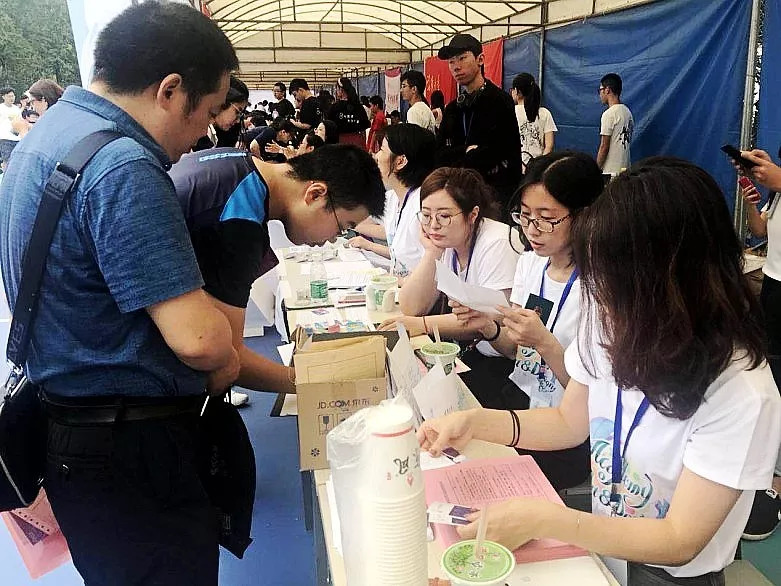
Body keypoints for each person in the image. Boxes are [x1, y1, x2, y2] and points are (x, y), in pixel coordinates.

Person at [418, 157, 781, 586]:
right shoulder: (614, 325)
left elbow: (680, 539)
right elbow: (568, 422)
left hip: (670, 575)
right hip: (603, 545)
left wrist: (548, 519)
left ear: (677, 277)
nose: (602, 293)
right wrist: (476, 422)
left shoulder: (740, 392)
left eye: (616, 277)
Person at [0, 3, 241, 584]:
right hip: (132, 448)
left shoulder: (49, 135)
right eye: (206, 113)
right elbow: (201, 340)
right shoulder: (124, 164)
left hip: (75, 433)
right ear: (170, 89)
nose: (202, 134)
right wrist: (228, 356)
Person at [168, 144, 384, 406]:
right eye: (342, 227)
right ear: (315, 194)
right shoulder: (241, 221)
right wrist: (314, 382)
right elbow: (228, 358)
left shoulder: (236, 163)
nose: (332, 241)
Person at [451, 152, 603, 491]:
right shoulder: (532, 264)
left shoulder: (599, 288)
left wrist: (545, 343)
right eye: (525, 215)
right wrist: (488, 326)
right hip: (521, 397)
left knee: (477, 479)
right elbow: (515, 352)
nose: (532, 230)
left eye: (546, 218)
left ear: (584, 215)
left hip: (567, 432)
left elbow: (593, 396)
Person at [379, 167, 518, 341]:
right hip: (470, 347)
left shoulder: (497, 241)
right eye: (426, 215)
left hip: (498, 353)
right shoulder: (446, 242)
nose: (433, 225)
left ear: (472, 214)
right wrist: (432, 252)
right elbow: (411, 308)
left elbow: (492, 316)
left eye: (444, 216)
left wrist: (422, 325)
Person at [734, 148, 781, 541]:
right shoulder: (778, 193)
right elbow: (761, 231)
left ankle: (776, 485)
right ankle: (767, 473)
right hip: (774, 286)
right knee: (771, 372)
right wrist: (752, 195)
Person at [436, 33, 521, 217]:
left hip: (494, 199)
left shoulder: (500, 101)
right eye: (451, 61)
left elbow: (504, 152)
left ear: (480, 59)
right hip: (459, 196)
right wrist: (467, 151)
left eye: (462, 58)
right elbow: (439, 153)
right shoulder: (453, 108)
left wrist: (465, 156)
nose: (456, 66)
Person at [350, 124, 437, 277]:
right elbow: (402, 255)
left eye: (382, 149)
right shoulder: (393, 197)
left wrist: (388, 282)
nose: (376, 156)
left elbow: (431, 274)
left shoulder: (423, 208)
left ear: (400, 161)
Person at [511, 73, 557, 171]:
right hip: (537, 168)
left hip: (514, 168)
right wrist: (539, 166)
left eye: (512, 90)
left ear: (517, 91)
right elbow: (549, 145)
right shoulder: (545, 113)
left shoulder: (509, 111)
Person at [193, 75, 248, 151]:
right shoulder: (193, 134)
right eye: (237, 112)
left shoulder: (213, 135)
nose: (238, 120)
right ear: (222, 101)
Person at [597, 72, 633, 175]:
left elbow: (604, 146)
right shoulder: (628, 113)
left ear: (607, 90)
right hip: (626, 169)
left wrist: (596, 169)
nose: (600, 94)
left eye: (600, 90)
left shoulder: (609, 114)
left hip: (610, 172)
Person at [328, 77, 370, 147]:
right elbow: (365, 124)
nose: (336, 91)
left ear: (341, 90)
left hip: (340, 142)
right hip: (357, 141)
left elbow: (330, 126)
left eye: (337, 89)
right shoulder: (358, 106)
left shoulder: (335, 107)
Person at [400, 70, 436, 134]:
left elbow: (414, 139)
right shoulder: (424, 107)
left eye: (404, 86)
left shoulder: (414, 111)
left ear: (414, 89)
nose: (401, 90)